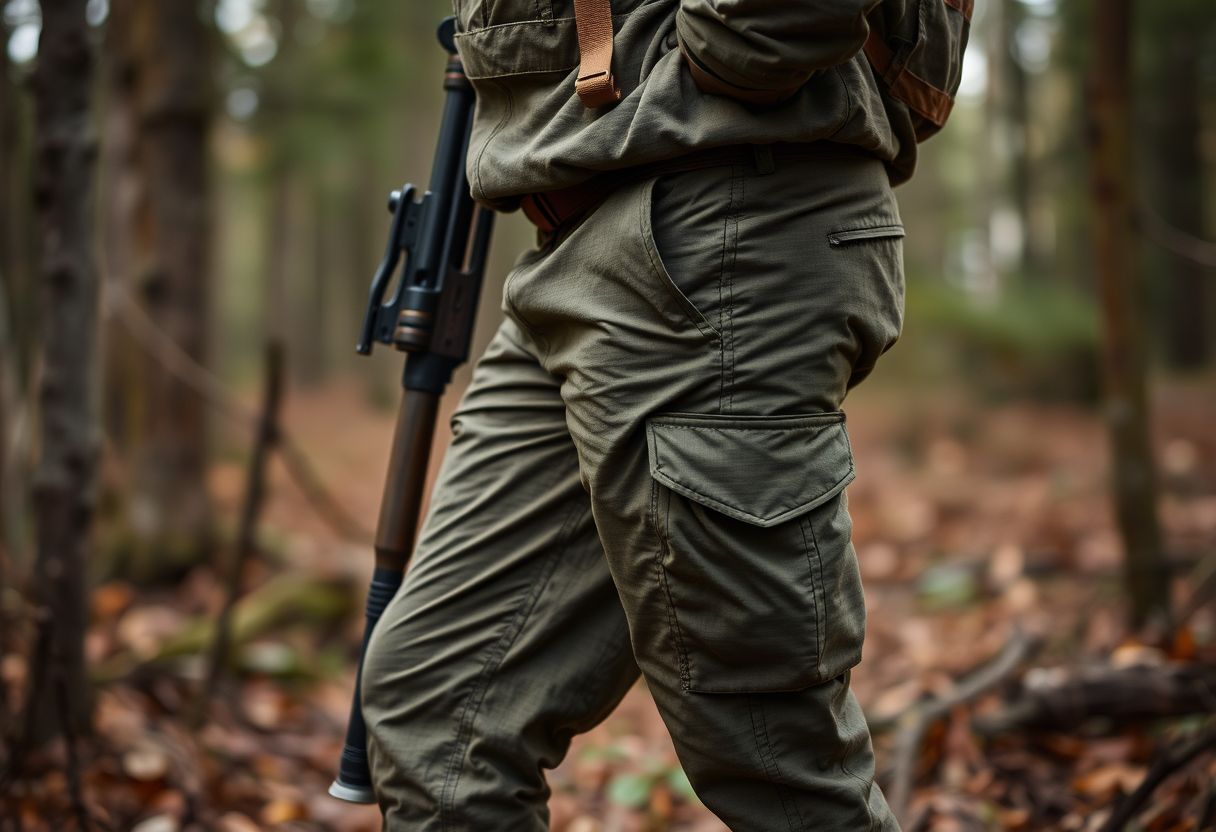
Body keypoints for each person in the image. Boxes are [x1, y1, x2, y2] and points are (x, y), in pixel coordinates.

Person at [361, 1, 964, 828]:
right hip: (579, 244)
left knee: (767, 751)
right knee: (441, 706)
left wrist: (728, 57)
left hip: (712, 224)